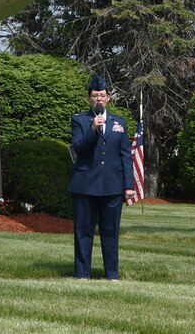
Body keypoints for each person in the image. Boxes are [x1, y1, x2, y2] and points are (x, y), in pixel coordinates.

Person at [68, 75, 135, 280]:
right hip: (85, 185)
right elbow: (78, 147)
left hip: (112, 187)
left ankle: (112, 275)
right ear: (89, 99)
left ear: (108, 99)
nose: (99, 99)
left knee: (110, 232)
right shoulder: (80, 120)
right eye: (95, 95)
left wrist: (128, 185)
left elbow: (125, 155)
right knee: (83, 231)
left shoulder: (119, 123)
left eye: (102, 95)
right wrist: (93, 129)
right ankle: (82, 274)